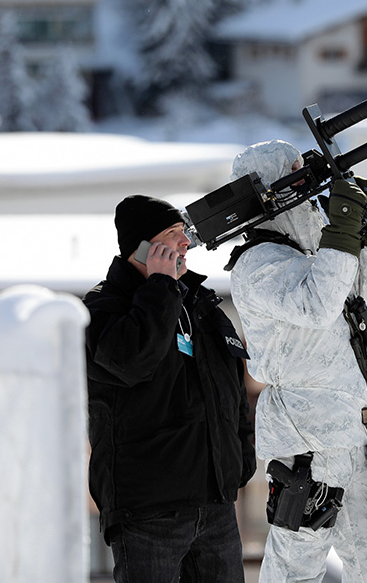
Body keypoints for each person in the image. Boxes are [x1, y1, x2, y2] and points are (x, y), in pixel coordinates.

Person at [226, 140, 367, 582]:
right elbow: (318, 303)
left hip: (356, 431)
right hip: (305, 440)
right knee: (296, 566)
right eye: (293, 177)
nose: (306, 191)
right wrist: (341, 234)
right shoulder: (257, 264)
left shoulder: (313, 254)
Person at [83, 194, 256, 583]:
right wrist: (160, 285)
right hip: (148, 510)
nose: (185, 242)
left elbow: (233, 389)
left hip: (216, 506)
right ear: (143, 247)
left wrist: (239, 461)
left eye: (183, 232)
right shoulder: (103, 308)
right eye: (172, 233)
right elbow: (132, 361)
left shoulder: (200, 304)